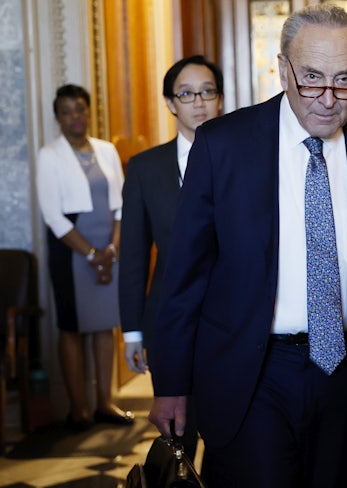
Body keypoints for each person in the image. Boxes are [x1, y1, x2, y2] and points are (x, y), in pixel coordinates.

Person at [147, 4, 347, 488]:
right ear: (282, 68)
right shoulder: (222, 146)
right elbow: (185, 274)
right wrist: (170, 383)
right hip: (250, 372)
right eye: (312, 78)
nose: (328, 98)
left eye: (344, 80)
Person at [118, 55, 223, 458]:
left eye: (207, 92)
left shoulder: (243, 161)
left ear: (219, 99)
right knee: (178, 437)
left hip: (230, 321)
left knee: (230, 438)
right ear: (170, 103)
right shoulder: (146, 169)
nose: (198, 102)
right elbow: (133, 255)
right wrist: (132, 331)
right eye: (186, 93)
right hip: (167, 322)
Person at [36, 84, 133, 431]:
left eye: (80, 109)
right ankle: (78, 408)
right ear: (57, 118)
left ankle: (104, 403)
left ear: (89, 112)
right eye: (66, 111)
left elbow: (122, 204)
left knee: (105, 324)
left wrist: (112, 248)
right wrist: (91, 254)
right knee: (73, 327)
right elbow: (53, 215)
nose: (75, 116)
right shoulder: (50, 155)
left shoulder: (106, 151)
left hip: (109, 246)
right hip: (71, 250)